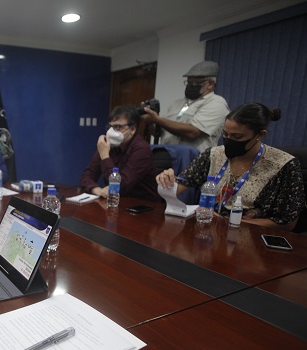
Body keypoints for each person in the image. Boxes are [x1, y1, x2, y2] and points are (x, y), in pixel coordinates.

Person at [156, 102, 305, 231]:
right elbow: (182, 184)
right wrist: (167, 182)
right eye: (225, 134)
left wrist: (228, 222)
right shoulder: (214, 155)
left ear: (260, 135)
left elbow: (287, 223)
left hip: (252, 238)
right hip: (209, 231)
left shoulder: (283, 165)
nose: (228, 141)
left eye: (237, 137)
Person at [141, 60, 229, 153]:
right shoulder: (176, 104)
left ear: (210, 84)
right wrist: (150, 120)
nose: (190, 86)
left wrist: (157, 119)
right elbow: (159, 133)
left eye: (195, 83)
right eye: (189, 83)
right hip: (167, 158)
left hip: (193, 163)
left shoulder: (217, 103)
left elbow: (193, 132)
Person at [80, 105, 162, 202]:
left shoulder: (142, 149)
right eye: (110, 127)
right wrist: (97, 190)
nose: (111, 132)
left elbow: (121, 186)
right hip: (115, 202)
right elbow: (86, 177)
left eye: (118, 127)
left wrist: (105, 156)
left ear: (132, 129)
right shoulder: (108, 145)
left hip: (142, 205)